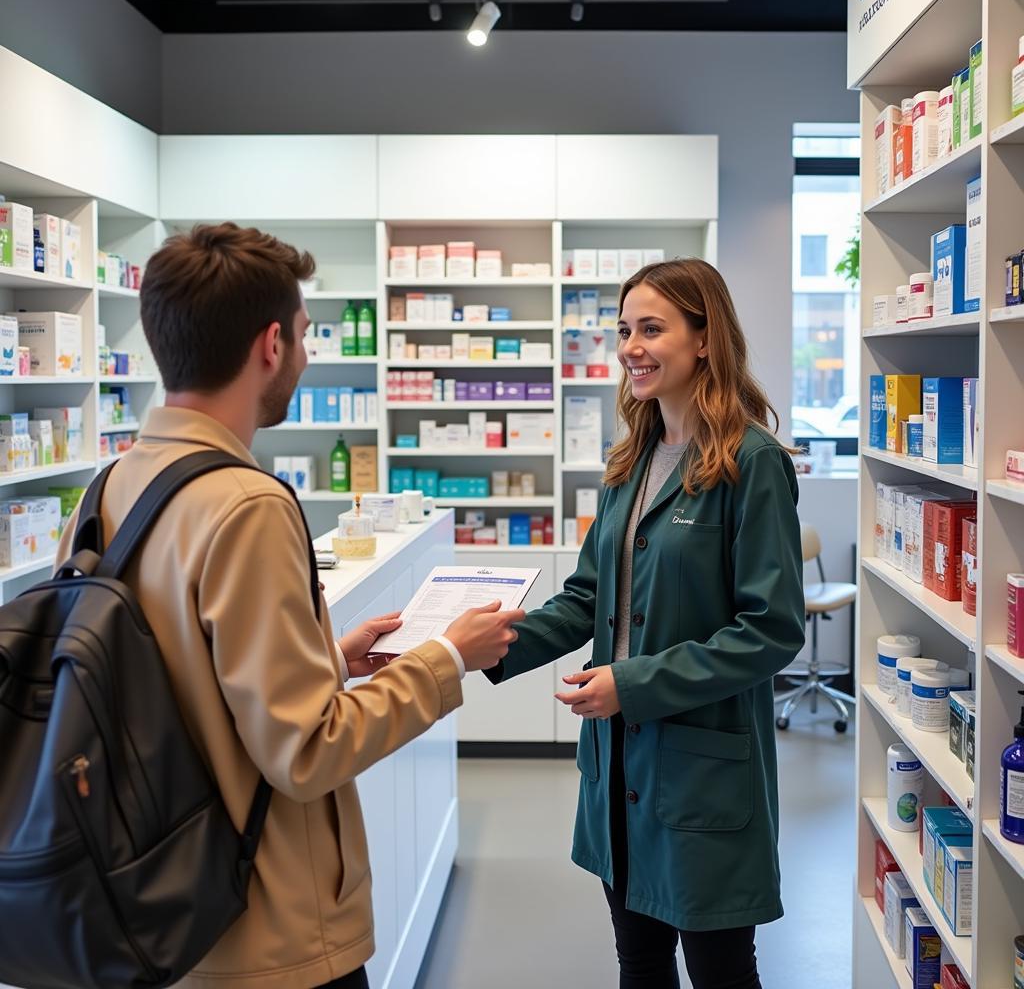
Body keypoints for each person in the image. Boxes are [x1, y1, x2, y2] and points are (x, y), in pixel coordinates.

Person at [54, 223, 524, 989]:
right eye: (304, 335)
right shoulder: (248, 506)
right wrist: (447, 659)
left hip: (148, 905)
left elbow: (162, 681)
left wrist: (328, 660)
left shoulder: (105, 491)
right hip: (261, 932)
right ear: (271, 345)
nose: (305, 356)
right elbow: (307, 753)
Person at [486, 258, 805, 989]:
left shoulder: (750, 464)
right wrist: (486, 644)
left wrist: (633, 683)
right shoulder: (629, 461)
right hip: (619, 767)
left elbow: (771, 629)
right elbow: (587, 598)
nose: (631, 345)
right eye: (625, 328)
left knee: (721, 971)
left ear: (704, 338)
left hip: (699, 770)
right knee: (640, 964)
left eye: (652, 328)